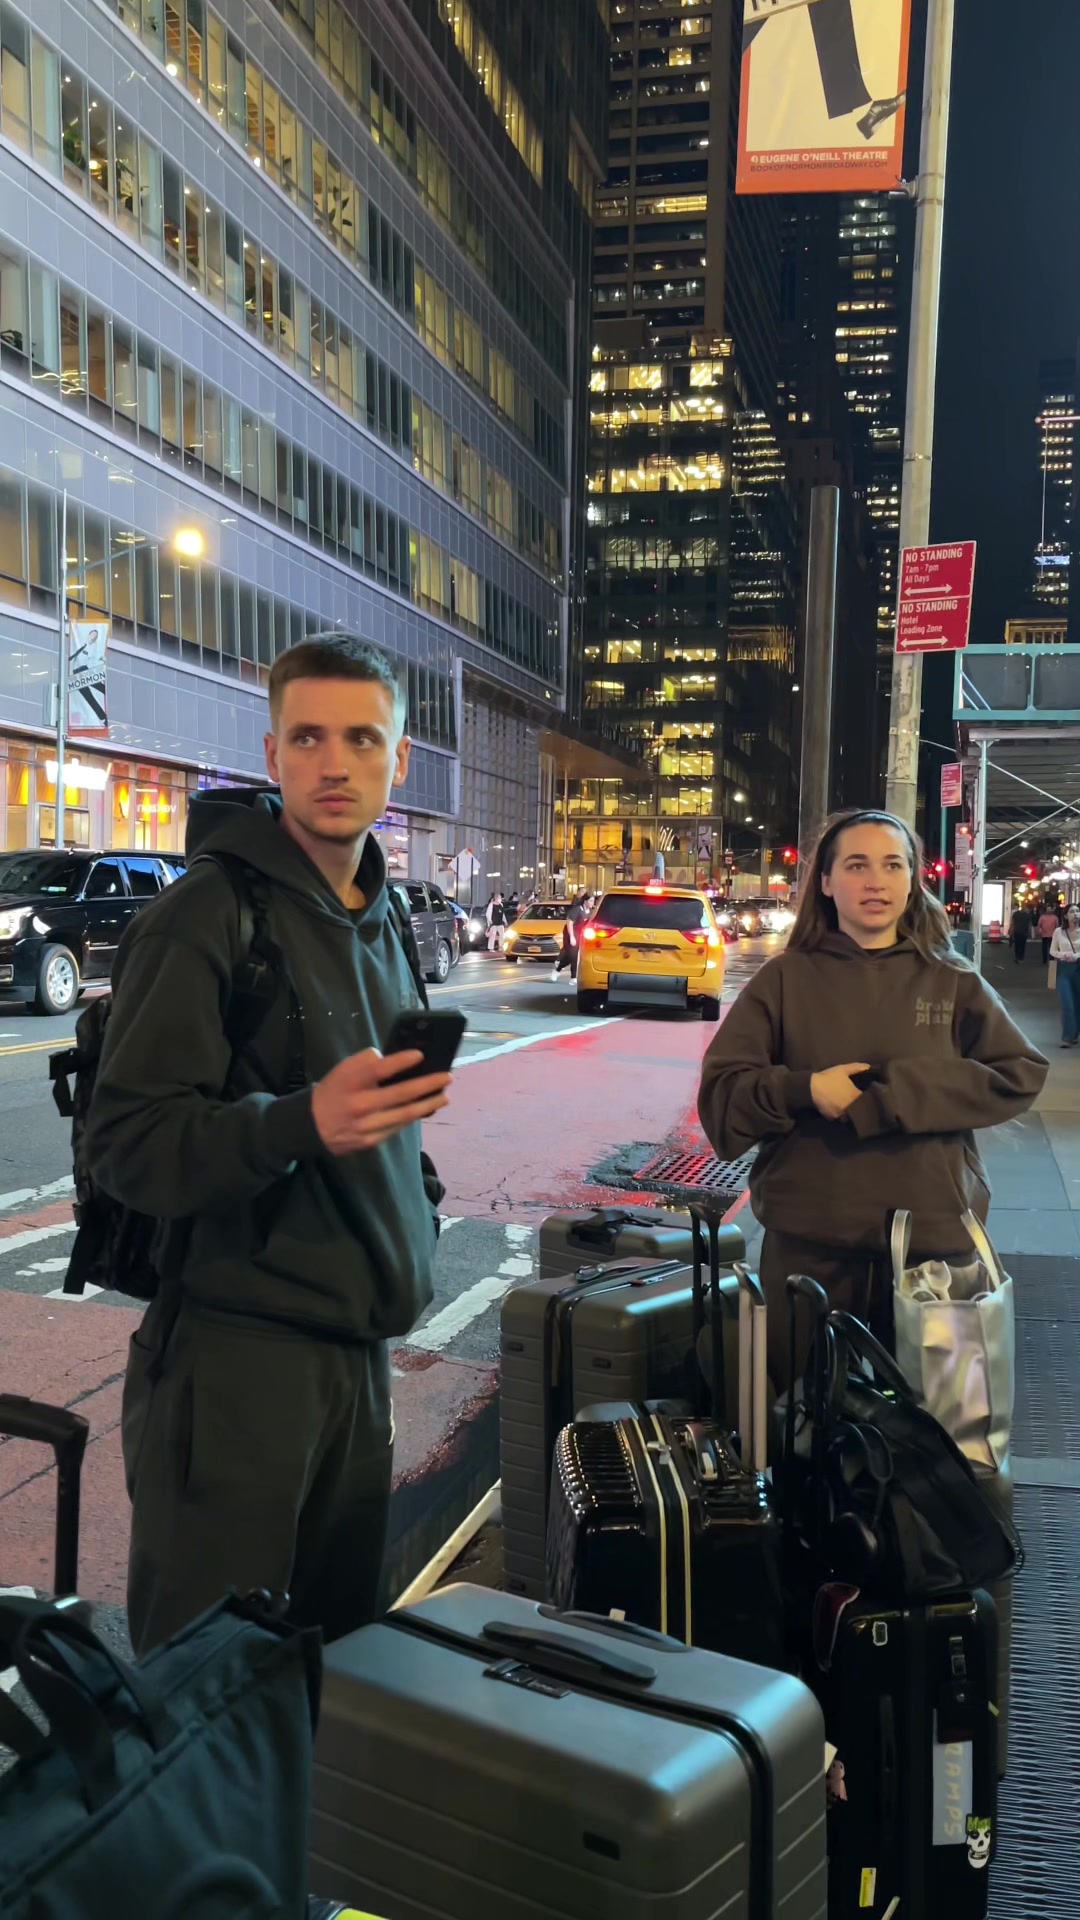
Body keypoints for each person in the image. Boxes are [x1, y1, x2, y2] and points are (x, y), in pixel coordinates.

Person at [85, 636, 453, 1655]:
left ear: (399, 759)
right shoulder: (207, 915)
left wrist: (413, 1197)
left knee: (334, 1680)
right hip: (236, 1366)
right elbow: (129, 1143)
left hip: (357, 1364)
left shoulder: (381, 913)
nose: (335, 763)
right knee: (211, 1696)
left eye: (362, 739)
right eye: (308, 737)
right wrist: (300, 1122)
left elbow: (377, 1120)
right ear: (272, 754)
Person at [697, 809, 1047, 1390]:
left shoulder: (953, 980)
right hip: (808, 1246)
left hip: (930, 1250)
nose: (876, 882)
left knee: (937, 1430)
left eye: (892, 865)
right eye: (856, 866)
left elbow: (1019, 1073)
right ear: (826, 882)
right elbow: (722, 1100)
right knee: (798, 1422)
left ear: (912, 880)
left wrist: (889, 1096)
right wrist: (806, 1089)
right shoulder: (783, 982)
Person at [1050, 907, 1080, 1047]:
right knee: (1067, 1003)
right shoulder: (1059, 932)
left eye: (1077, 911)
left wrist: (1076, 956)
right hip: (1064, 970)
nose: (1075, 914)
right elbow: (1052, 950)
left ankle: (1074, 1033)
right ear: (1066, 916)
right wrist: (1063, 955)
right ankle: (1067, 1037)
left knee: (1078, 1003)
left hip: (1078, 968)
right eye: (1072, 912)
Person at [552, 891, 592, 983]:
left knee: (574, 956)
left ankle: (560, 971)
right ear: (585, 901)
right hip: (570, 932)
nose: (592, 903)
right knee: (572, 955)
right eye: (590, 901)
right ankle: (572, 977)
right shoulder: (577, 909)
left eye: (593, 901)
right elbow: (569, 923)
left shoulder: (590, 912)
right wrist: (571, 937)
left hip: (579, 934)